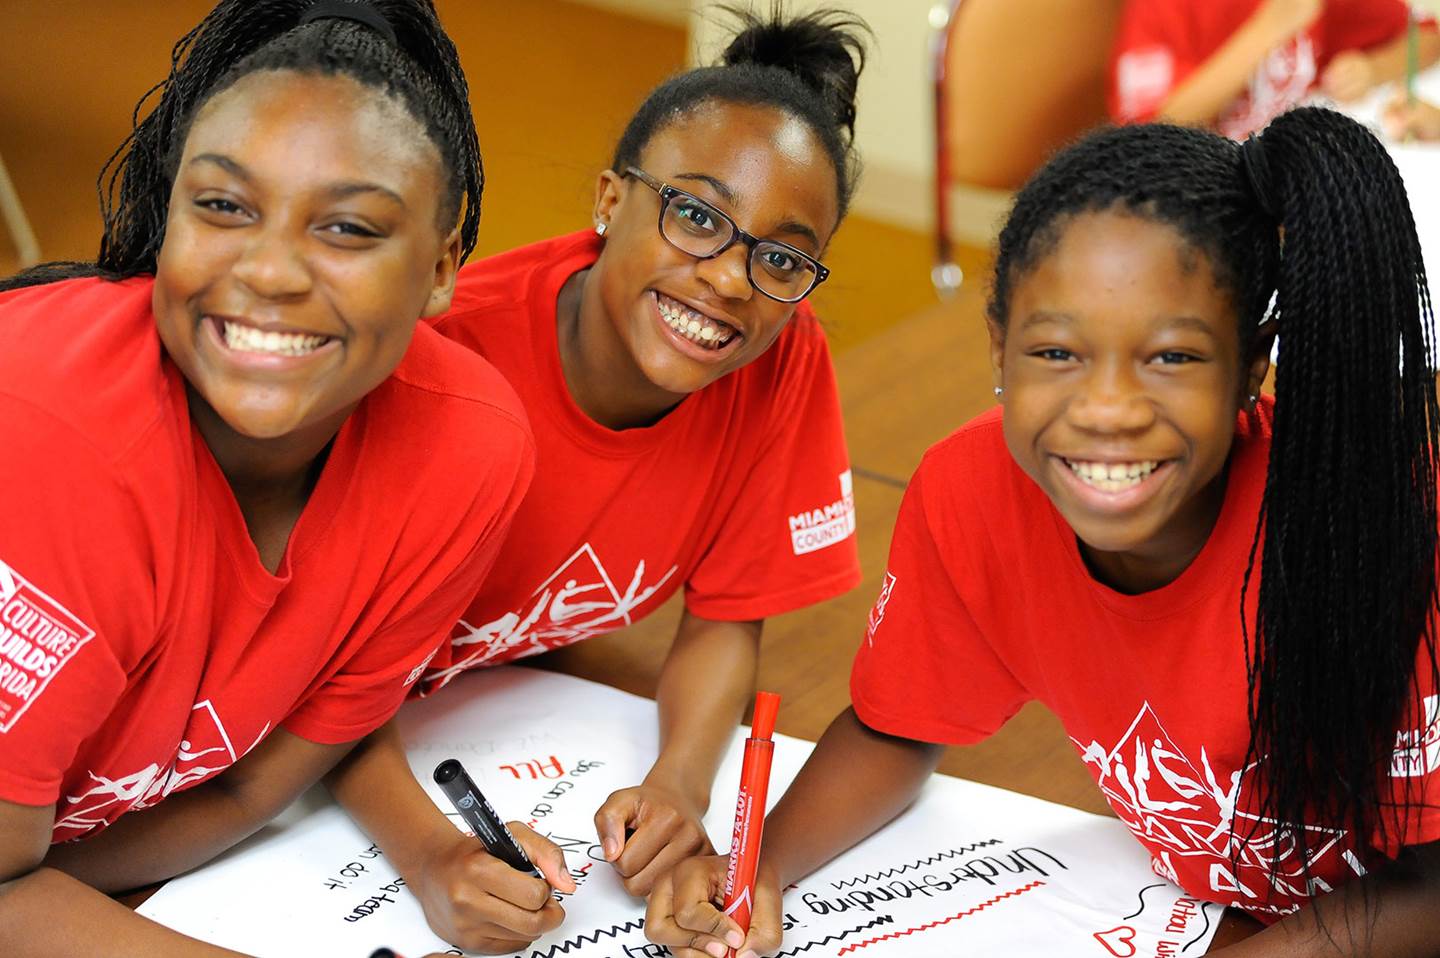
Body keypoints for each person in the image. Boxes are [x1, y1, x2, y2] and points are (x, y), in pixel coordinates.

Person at [646, 105, 1440, 958]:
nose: (1106, 411)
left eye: (1171, 358)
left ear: (1253, 363)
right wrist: (760, 865)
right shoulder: (972, 496)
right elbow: (901, 726)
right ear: (999, 349)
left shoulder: (1385, 525)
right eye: (1057, 353)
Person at [323, 7, 867, 953]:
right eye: (696, 215)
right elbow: (308, 673)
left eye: (780, 255)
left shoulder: (781, 357)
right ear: (612, 199)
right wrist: (427, 855)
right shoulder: (439, 364)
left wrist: (679, 787)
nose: (732, 280)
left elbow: (728, 620)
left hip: (512, 706)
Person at [0, 1, 534, 954]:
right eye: (223, 206)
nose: (273, 271)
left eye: (348, 229)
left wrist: (430, 852)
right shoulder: (54, 445)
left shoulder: (472, 449)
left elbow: (251, 787)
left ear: (445, 267)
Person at [1110, 0, 1439, 138]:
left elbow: (1428, 36)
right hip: (1218, 207)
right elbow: (1148, 133)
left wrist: (1372, 70)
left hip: (1310, 175)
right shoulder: (1164, 8)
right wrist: (1270, 29)